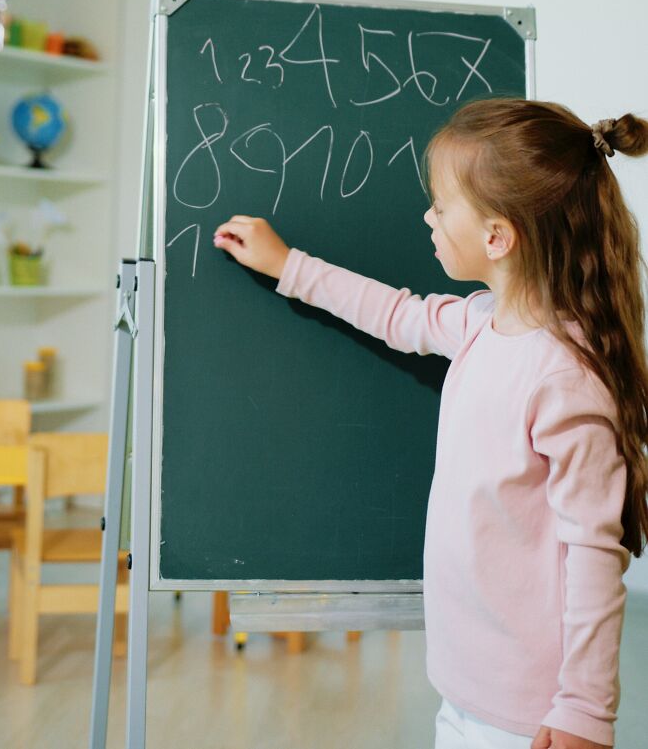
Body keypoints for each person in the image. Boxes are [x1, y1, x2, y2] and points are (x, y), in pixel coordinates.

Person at [212, 98, 648, 749]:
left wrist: (584, 706)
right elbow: (394, 311)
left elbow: (593, 550)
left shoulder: (562, 375)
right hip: (465, 684)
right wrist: (287, 264)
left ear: (498, 236)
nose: (429, 217)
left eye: (441, 207)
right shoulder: (481, 324)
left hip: (529, 712)